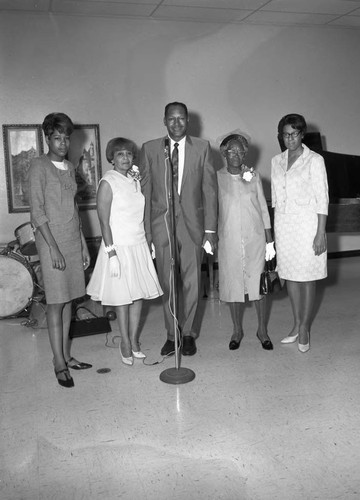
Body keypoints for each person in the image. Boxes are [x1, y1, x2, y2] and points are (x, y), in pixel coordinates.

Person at [139, 102, 218, 356]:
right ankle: (172, 334)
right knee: (167, 283)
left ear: (188, 121)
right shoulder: (150, 149)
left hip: (192, 226)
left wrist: (210, 231)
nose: (176, 124)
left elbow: (209, 191)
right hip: (161, 226)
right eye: (171, 119)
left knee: (193, 283)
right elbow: (146, 192)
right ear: (164, 121)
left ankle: (189, 334)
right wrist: (147, 234)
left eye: (181, 119)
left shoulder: (203, 148)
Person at [29, 112, 92, 388]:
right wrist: (52, 249)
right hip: (49, 240)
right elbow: (37, 212)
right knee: (56, 302)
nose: (63, 142)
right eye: (57, 138)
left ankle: (66, 354)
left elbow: (74, 210)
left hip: (70, 239)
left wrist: (82, 243)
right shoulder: (38, 166)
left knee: (68, 300)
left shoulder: (69, 167)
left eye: (67, 137)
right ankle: (58, 363)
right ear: (47, 138)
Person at [86, 138, 163, 365]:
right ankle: (125, 343)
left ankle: (135, 340)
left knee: (137, 294)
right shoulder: (107, 182)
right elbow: (104, 222)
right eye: (120, 154)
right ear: (111, 158)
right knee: (122, 298)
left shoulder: (134, 180)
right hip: (118, 246)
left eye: (129, 154)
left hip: (137, 243)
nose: (125, 158)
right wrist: (111, 254)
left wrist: (147, 241)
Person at [271, 114, 328, 353]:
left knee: (307, 276)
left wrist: (320, 233)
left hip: (307, 226)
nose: (290, 138)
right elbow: (275, 197)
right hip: (284, 226)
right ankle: (296, 325)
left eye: (294, 134)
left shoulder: (315, 160)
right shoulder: (276, 160)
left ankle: (305, 328)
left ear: (302, 134)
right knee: (290, 276)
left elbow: (322, 197)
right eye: (285, 134)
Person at [217, 133, 275, 351]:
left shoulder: (254, 176)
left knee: (259, 285)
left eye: (240, 150)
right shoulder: (217, 177)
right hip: (229, 239)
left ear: (245, 153)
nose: (236, 154)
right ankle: (237, 330)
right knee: (233, 285)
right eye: (231, 150)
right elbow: (213, 210)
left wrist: (269, 240)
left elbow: (262, 207)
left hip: (255, 238)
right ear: (224, 153)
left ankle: (262, 330)